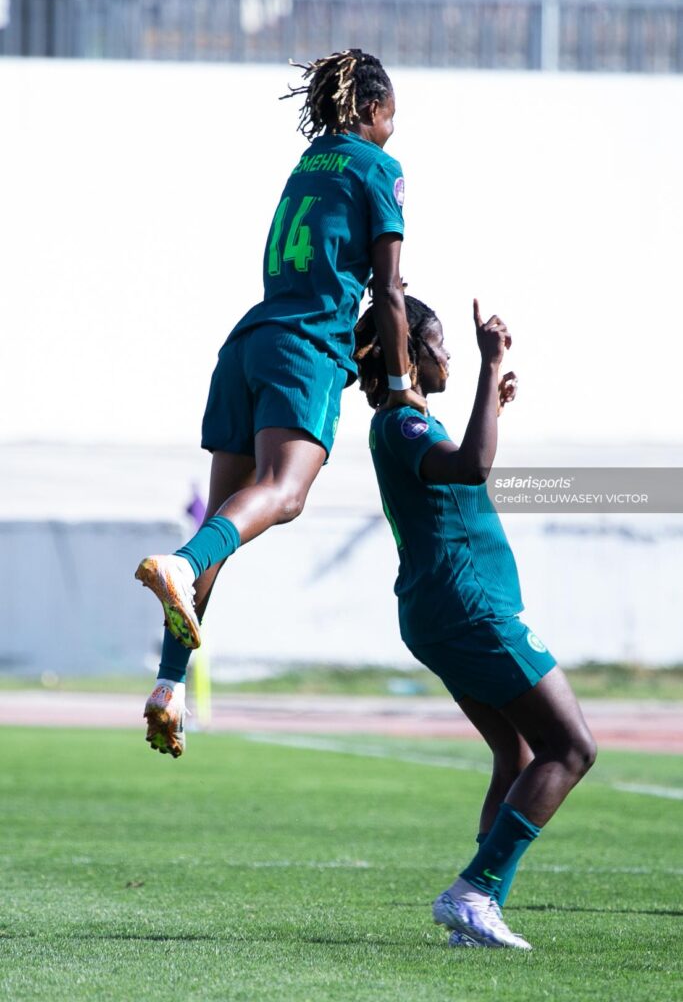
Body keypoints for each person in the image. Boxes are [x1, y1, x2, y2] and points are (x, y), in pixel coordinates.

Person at [135, 50, 426, 758]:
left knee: (225, 527)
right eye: (391, 111)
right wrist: (401, 378)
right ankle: (174, 567)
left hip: (248, 341)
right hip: (305, 346)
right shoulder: (375, 166)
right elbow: (389, 292)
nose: (395, 124)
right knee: (283, 494)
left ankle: (170, 684)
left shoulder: (309, 163)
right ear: (368, 110)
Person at [354, 294, 597, 950]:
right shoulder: (402, 424)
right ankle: (473, 891)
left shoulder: (407, 426)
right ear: (411, 353)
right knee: (571, 748)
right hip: (468, 607)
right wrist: (490, 368)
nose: (449, 356)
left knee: (514, 753)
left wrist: (490, 397)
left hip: (445, 609)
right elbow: (473, 466)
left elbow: (460, 465)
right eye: (440, 346)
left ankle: (478, 914)